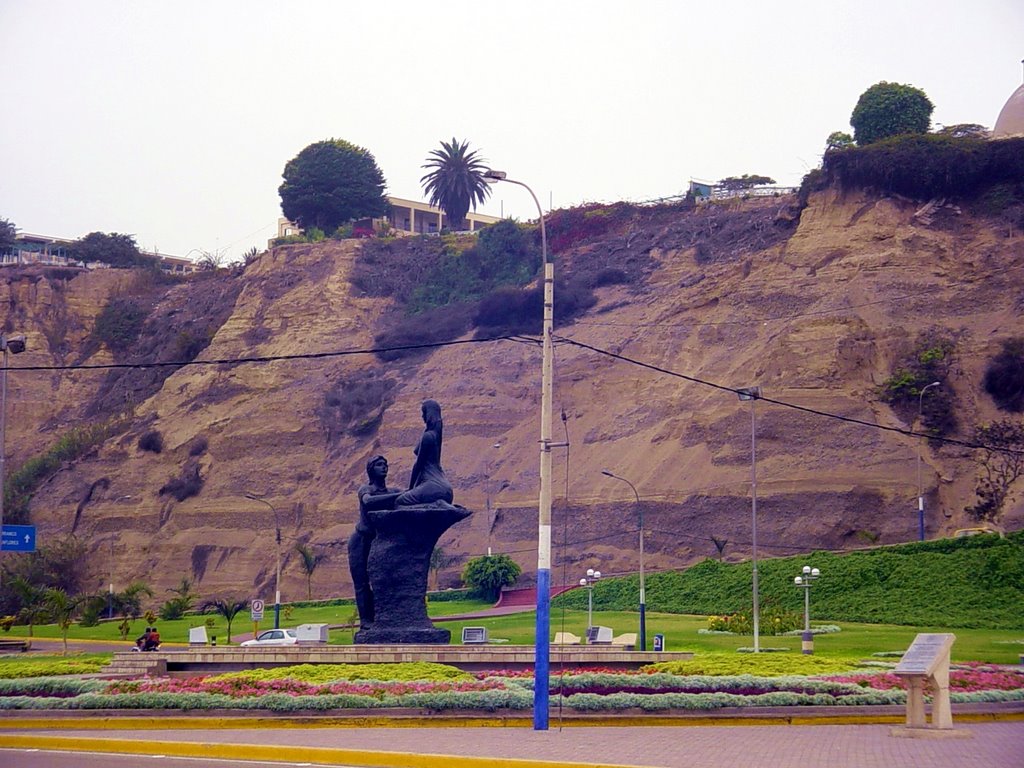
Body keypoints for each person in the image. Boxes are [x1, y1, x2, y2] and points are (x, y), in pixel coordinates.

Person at [349, 455, 399, 631]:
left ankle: (384, 617)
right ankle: (365, 620)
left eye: (385, 464)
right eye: (379, 465)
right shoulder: (366, 489)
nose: (384, 467)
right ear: (371, 469)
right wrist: (398, 496)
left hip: (380, 541)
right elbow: (368, 502)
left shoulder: (392, 491)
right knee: (362, 582)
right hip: (361, 540)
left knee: (384, 580)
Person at [395, 399, 454, 507]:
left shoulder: (428, 437)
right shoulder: (435, 435)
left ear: (429, 414)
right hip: (446, 488)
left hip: (433, 485)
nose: (422, 417)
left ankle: (437, 504)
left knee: (400, 502)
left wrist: (410, 488)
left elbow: (418, 465)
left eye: (424, 413)